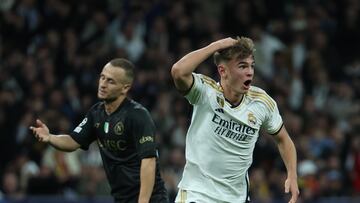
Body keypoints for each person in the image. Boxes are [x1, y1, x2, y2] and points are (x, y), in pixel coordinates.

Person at [171, 37, 299, 203]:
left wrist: (292, 175)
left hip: (236, 199)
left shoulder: (261, 102)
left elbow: (283, 139)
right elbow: (178, 71)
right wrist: (216, 46)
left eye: (252, 66)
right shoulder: (205, 93)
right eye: (242, 66)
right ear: (223, 71)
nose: (250, 72)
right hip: (197, 194)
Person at [30, 58, 168, 203]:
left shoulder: (138, 116)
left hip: (150, 199)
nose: (102, 84)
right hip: (122, 198)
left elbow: (149, 161)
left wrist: (143, 201)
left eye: (110, 81)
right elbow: (73, 141)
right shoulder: (96, 113)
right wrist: (50, 137)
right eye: (102, 77)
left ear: (125, 88)